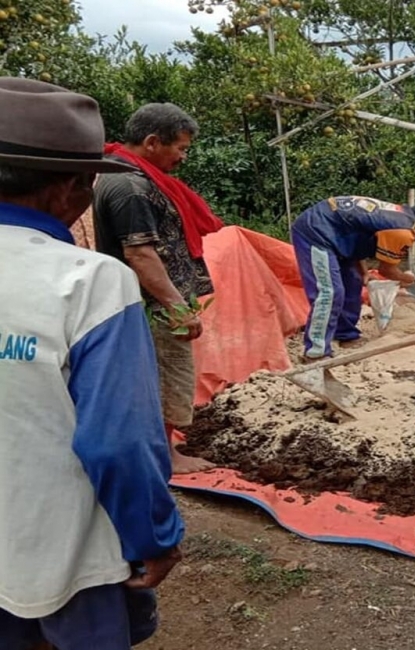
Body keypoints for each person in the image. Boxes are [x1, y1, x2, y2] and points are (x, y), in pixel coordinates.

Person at [0, 78, 184, 649]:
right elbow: (120, 441)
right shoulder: (89, 281)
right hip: (65, 549)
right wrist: (156, 535)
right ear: (71, 190)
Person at [94, 103, 223, 474]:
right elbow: (139, 252)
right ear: (152, 142)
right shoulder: (132, 186)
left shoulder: (125, 175)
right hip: (155, 304)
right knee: (168, 375)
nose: (183, 157)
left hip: (150, 300)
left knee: (153, 375)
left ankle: (155, 446)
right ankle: (166, 455)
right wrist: (176, 305)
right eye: (180, 148)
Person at [292, 195, 415, 361]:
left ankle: (345, 335)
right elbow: (386, 270)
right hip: (316, 231)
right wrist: (408, 278)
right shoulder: (401, 230)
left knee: (353, 283)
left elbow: (357, 237)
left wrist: (364, 272)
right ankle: (316, 352)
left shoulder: (400, 217)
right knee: (330, 292)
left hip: (337, 233)